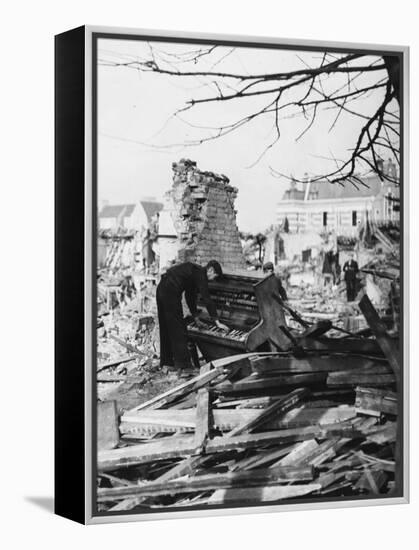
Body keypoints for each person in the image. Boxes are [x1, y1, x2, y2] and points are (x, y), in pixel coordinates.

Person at [156, 260, 228, 374]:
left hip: (161, 288)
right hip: (170, 291)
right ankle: (185, 367)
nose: (213, 279)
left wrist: (196, 318)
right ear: (211, 270)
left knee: (166, 326)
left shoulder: (193, 272)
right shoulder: (201, 274)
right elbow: (207, 299)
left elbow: (190, 297)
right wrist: (217, 322)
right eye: (215, 276)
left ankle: (167, 362)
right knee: (178, 328)